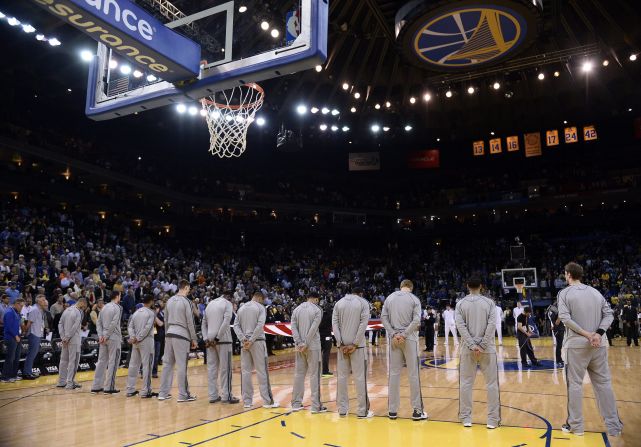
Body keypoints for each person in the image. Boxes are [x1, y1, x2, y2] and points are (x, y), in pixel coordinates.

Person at [558, 262, 623, 437]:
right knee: (604, 384)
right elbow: (609, 314)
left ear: (568, 275)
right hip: (599, 344)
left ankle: (576, 426)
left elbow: (564, 318)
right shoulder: (596, 292)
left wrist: (587, 334)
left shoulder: (564, 293)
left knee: (575, 386)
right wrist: (598, 333)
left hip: (576, 346)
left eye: (565, 274)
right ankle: (614, 426)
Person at [455, 278, 500, 429]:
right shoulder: (490, 303)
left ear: (467, 286)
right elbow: (492, 325)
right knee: (492, 384)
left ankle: (466, 418)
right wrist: (482, 345)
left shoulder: (460, 304)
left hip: (467, 349)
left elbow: (460, 327)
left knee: (466, 384)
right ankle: (493, 420)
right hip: (487, 349)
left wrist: (473, 345)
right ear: (481, 286)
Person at [381, 280, 427, 421]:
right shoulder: (414, 299)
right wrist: (404, 334)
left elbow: (383, 318)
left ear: (401, 286)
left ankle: (392, 411)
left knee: (394, 375)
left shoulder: (390, 298)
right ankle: (417, 411)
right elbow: (416, 321)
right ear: (411, 288)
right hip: (409, 340)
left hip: (394, 340)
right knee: (413, 375)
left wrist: (394, 334)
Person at [332, 286, 372, 419]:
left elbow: (335, 325)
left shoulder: (339, 303)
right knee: (360, 378)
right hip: (357, 347)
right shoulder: (363, 302)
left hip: (341, 347)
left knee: (342, 379)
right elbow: (363, 324)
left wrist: (341, 343)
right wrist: (354, 343)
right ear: (360, 293)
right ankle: (362, 411)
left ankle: (342, 410)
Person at [234, 291, 279, 409]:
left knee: (246, 372)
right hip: (257, 342)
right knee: (262, 371)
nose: (263, 302)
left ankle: (247, 402)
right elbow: (260, 325)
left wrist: (244, 339)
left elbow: (236, 326)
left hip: (244, 344)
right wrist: (252, 340)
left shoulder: (241, 308)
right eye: (263, 300)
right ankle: (267, 401)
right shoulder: (260, 307)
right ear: (259, 298)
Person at [158, 280, 198, 402]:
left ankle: (163, 393)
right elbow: (190, 322)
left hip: (169, 333)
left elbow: (165, 319)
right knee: (181, 366)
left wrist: (166, 334)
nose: (189, 291)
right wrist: (194, 338)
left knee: (167, 365)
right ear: (186, 288)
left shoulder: (169, 300)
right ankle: (183, 394)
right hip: (181, 335)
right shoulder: (187, 302)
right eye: (189, 289)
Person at [290, 293, 326, 414]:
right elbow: (314, 328)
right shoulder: (317, 309)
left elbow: (293, 327)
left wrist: (299, 342)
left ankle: (296, 403)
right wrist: (306, 343)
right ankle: (316, 406)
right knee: (314, 375)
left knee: (298, 375)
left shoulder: (296, 309)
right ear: (316, 299)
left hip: (299, 347)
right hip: (313, 346)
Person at [202, 291, 239, 404]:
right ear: (229, 298)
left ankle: (213, 396)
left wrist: (205, 338)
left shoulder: (210, 304)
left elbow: (203, 323)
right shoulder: (227, 304)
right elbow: (226, 321)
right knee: (225, 369)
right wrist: (217, 338)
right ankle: (226, 396)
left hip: (209, 339)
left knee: (212, 369)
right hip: (223, 339)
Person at [91, 291, 123, 395]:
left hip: (103, 338)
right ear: (117, 296)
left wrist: (101, 336)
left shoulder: (104, 307)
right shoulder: (117, 307)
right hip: (113, 337)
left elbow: (98, 323)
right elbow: (114, 323)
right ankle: (109, 387)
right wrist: (106, 335)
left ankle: (96, 386)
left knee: (101, 361)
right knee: (113, 362)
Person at [126, 295, 156, 398]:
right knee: (147, 365)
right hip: (146, 341)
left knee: (133, 365)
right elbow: (147, 328)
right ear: (151, 301)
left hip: (136, 342)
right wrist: (138, 338)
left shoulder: (136, 312)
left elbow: (130, 327)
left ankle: (130, 389)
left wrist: (133, 337)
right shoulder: (151, 313)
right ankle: (146, 390)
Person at [57, 298, 88, 390]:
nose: (84, 308)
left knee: (63, 360)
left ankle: (61, 382)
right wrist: (67, 337)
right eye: (85, 306)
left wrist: (63, 337)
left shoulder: (66, 310)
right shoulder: (79, 312)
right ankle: (70, 383)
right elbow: (75, 327)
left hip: (65, 340)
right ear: (82, 302)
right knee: (73, 361)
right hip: (74, 340)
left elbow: (60, 323)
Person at [22, 294, 47, 379]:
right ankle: (26, 373)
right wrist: (25, 332)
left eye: (45, 300)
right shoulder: (35, 309)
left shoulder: (40, 310)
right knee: (31, 354)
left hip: (37, 334)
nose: (45, 301)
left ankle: (29, 371)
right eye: (43, 300)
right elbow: (29, 323)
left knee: (33, 354)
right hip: (33, 334)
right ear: (38, 301)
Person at [1, 297, 25, 383]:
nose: (21, 308)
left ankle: (13, 375)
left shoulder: (17, 313)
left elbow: (17, 325)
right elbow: (8, 327)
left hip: (17, 337)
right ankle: (5, 377)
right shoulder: (9, 313)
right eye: (21, 306)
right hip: (11, 338)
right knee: (10, 358)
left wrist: (20, 333)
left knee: (16, 357)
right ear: (16, 304)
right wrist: (15, 336)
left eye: (23, 306)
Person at [319, 301, 334, 377]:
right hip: (327, 336)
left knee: (317, 354)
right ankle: (325, 371)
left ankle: (316, 371)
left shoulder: (318, 314)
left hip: (318, 336)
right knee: (326, 353)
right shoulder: (330, 315)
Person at [548, 299, 565, 367]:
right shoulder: (555, 311)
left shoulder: (552, 310)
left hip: (558, 329)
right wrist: (561, 315)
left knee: (559, 345)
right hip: (558, 329)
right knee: (559, 346)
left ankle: (559, 359)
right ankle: (558, 360)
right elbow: (557, 322)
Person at [152, 300, 165, 378]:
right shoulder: (151, 315)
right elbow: (160, 324)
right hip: (151, 338)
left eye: (157, 307)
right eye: (155, 308)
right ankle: (145, 371)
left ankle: (154, 371)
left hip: (159, 337)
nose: (156, 309)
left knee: (157, 356)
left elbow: (162, 324)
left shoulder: (161, 314)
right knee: (150, 356)